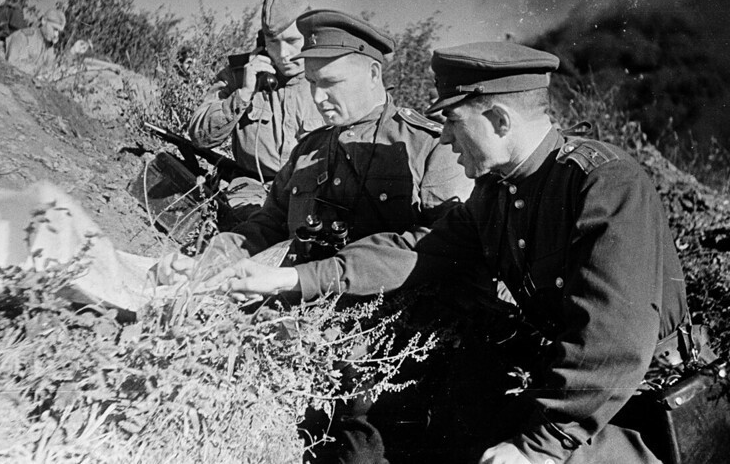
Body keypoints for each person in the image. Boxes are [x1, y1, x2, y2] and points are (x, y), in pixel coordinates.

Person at [221, 41, 696, 464]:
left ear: (498, 120)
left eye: (452, 120)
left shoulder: (604, 183)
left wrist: (537, 449)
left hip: (636, 403)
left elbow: (613, 342)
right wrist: (291, 280)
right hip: (565, 389)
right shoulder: (495, 193)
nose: (444, 138)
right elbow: (414, 250)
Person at [175, 9, 473, 462]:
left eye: (330, 83)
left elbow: (435, 246)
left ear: (373, 74)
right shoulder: (311, 149)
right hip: (300, 340)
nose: (318, 97)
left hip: (389, 357)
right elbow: (266, 226)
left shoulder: (429, 146)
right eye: (312, 84)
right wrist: (207, 263)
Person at [188, 0, 326, 225]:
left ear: (310, 36)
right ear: (263, 41)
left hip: (313, 193)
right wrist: (244, 92)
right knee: (254, 230)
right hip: (252, 188)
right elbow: (200, 136)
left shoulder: (330, 78)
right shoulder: (240, 75)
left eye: (292, 41)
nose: (283, 54)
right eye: (274, 42)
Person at [5, 8, 66, 77]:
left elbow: (49, 69)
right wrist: (38, 71)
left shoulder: (49, 46)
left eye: (58, 31)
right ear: (44, 21)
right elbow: (12, 64)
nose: (56, 35)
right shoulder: (23, 37)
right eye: (54, 29)